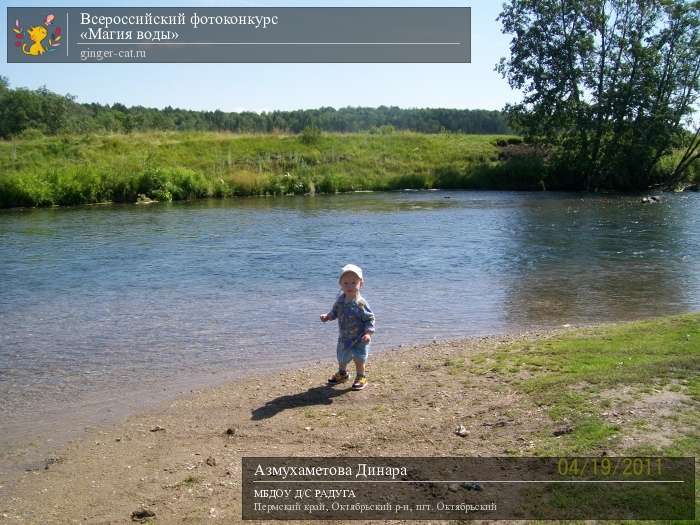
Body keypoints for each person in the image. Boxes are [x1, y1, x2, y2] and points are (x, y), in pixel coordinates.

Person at [320, 264, 376, 390]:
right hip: (344, 337)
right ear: (340, 284)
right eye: (346, 283)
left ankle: (361, 376)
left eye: (353, 282)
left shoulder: (361, 303)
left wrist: (368, 333)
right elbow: (335, 312)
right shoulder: (340, 300)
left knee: (359, 359)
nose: (349, 286)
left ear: (360, 284)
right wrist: (327, 316)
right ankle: (342, 373)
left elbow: (370, 319)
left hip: (359, 338)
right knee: (342, 357)